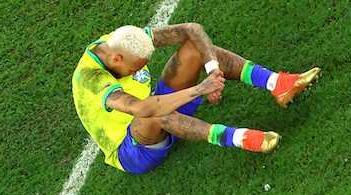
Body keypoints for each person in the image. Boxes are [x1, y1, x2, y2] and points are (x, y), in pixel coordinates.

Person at [72, 23, 320, 174]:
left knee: (194, 48)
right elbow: (143, 107)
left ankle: (277, 84)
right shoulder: (91, 79)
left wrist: (213, 70)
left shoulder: (123, 40)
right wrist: (200, 88)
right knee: (152, 111)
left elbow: (192, 30)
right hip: (133, 150)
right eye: (135, 69)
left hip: (159, 109)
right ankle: (236, 137)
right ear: (116, 60)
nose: (138, 73)